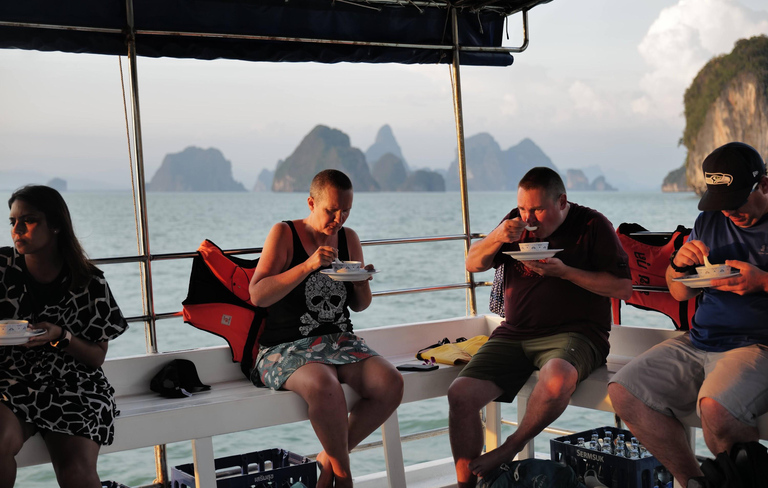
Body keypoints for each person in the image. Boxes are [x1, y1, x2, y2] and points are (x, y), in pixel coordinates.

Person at [448, 167, 632, 487]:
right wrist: (498, 236)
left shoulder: (592, 225)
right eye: (523, 208)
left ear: (562, 201)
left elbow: (622, 288)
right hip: (515, 331)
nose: (529, 218)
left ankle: (510, 446)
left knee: (558, 378)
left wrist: (566, 273)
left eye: (537, 209)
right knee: (460, 395)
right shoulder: (515, 224)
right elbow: (472, 263)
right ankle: (468, 485)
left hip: (577, 333)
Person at [609, 142, 768, 488]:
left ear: (764, 185)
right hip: (698, 340)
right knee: (624, 392)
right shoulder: (710, 220)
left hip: (756, 346)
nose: (729, 213)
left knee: (715, 410)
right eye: (722, 205)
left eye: (737, 203)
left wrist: (762, 282)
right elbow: (680, 290)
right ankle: (695, 482)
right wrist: (678, 265)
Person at [248, 169, 403, 488]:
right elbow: (258, 294)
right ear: (310, 203)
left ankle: (326, 462)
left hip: (340, 341)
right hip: (285, 346)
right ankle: (344, 477)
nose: (339, 218)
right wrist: (308, 265)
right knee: (325, 386)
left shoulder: (349, 239)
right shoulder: (285, 233)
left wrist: (361, 282)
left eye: (346, 210)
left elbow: (360, 305)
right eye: (331, 210)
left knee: (391, 383)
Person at [0, 185, 128, 488]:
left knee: (76, 475)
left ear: (55, 225)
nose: (17, 230)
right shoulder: (3, 267)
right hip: (11, 381)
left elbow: (97, 357)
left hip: (74, 386)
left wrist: (60, 336)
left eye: (28, 221)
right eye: (12, 221)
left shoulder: (89, 282)